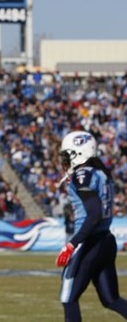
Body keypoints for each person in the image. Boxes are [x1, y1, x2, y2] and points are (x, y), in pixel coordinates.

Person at [55, 130, 127, 321]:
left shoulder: (83, 175)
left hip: (89, 243)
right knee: (111, 299)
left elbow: (94, 214)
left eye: (68, 154)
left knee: (68, 298)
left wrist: (72, 244)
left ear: (79, 153)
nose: (65, 160)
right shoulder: (101, 173)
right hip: (106, 241)